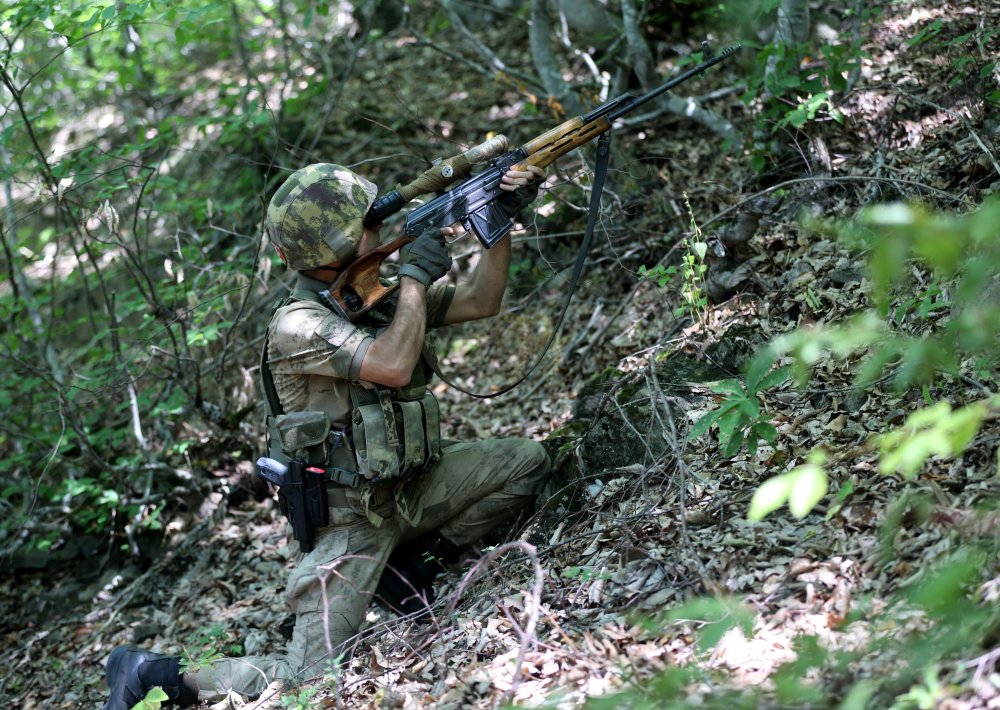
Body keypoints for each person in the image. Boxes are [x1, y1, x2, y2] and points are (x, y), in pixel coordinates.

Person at [103, 161, 551, 708]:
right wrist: (412, 279)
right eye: (369, 224)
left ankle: (404, 570)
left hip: (411, 487)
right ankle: (155, 674)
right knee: (306, 681)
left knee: (527, 462)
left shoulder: (367, 292)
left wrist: (496, 224)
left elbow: (482, 300)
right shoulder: (299, 325)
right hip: (351, 522)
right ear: (344, 242)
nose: (381, 230)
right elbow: (390, 364)